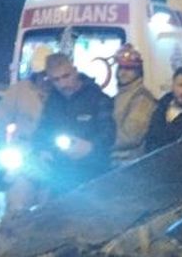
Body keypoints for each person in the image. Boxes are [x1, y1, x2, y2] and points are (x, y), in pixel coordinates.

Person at [8, 53, 114, 211]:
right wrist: (43, 149)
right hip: (59, 173)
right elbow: (42, 131)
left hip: (91, 175)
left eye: (66, 76)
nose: (63, 84)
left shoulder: (98, 99)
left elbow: (109, 134)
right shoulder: (53, 102)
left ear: (75, 71)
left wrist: (91, 147)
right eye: (56, 80)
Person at [0, 46, 52, 143]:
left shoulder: (60, 93)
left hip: (50, 145)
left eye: (49, 75)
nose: (47, 79)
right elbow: (1, 117)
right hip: (21, 144)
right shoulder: (19, 89)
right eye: (43, 74)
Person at [110, 44, 157, 163]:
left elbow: (131, 136)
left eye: (129, 69)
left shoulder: (142, 98)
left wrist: (100, 143)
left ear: (138, 72)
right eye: (121, 68)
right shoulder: (120, 95)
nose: (123, 73)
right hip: (114, 159)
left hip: (128, 162)